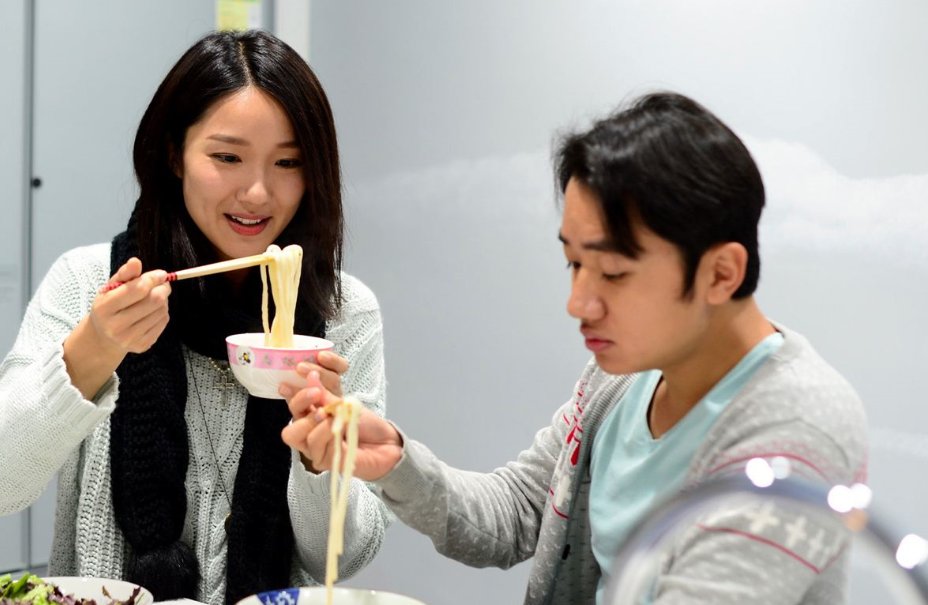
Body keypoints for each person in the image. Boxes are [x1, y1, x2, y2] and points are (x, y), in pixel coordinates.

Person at [281, 92, 869, 604]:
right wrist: (398, 464)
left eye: (612, 272)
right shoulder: (623, 379)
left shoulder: (799, 429)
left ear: (721, 274)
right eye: (574, 262)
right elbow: (515, 515)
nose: (578, 301)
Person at [0, 30, 390, 605]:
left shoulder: (343, 313)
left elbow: (349, 553)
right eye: (226, 157)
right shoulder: (87, 283)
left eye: (288, 162)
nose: (257, 192)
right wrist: (92, 353)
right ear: (173, 155)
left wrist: (317, 456)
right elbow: (6, 483)